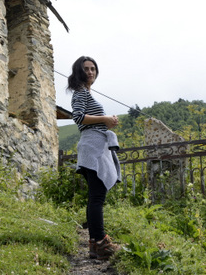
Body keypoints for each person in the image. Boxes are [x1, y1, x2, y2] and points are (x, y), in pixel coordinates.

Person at [67, 56, 122, 260]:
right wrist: (105, 119)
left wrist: (108, 122)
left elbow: (88, 119)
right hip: (92, 148)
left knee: (95, 197)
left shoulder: (87, 93)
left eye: (93, 69)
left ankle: (94, 244)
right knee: (97, 198)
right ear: (79, 72)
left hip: (95, 147)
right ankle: (100, 242)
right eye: (86, 69)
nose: (91, 72)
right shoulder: (80, 93)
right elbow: (79, 117)